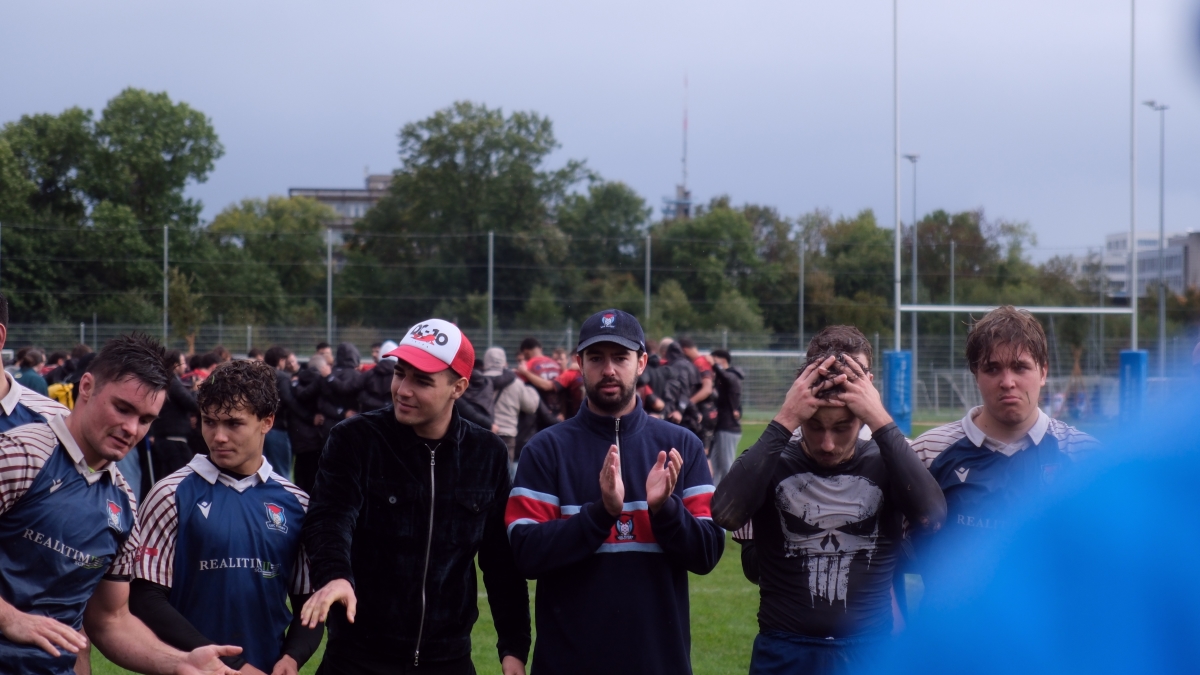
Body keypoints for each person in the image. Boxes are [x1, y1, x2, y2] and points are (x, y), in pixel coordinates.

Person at [0, 333, 241, 674]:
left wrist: (180, 661)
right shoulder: (19, 455)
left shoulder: (124, 502)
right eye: (122, 409)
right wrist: (9, 618)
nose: (131, 428)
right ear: (86, 387)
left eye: (145, 420)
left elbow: (110, 620)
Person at [300, 319, 530, 675]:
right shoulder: (355, 439)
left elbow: (501, 561)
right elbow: (330, 518)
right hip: (358, 657)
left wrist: (513, 646)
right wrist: (335, 575)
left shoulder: (487, 453)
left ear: (458, 387)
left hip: (449, 659)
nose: (403, 390)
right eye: (399, 373)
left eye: (422, 381)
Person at [711, 326, 946, 674]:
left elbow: (932, 516)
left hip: (869, 649)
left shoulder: (887, 461)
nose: (827, 444)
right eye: (815, 425)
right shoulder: (775, 460)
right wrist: (785, 419)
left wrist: (881, 420)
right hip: (785, 649)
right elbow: (725, 514)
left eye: (842, 427)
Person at [505, 309, 724, 675]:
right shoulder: (545, 449)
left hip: (659, 665)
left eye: (620, 358)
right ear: (579, 364)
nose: (608, 369)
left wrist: (666, 510)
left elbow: (707, 554)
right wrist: (600, 514)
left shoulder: (680, 446)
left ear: (641, 363)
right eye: (596, 358)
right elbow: (526, 553)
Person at [129, 360, 323, 674]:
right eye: (209, 422)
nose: (218, 436)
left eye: (233, 424)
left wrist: (292, 657)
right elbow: (145, 597)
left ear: (267, 422)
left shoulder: (296, 503)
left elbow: (309, 601)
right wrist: (230, 665)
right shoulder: (170, 494)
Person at [911, 306, 1097, 572]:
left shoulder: (1086, 456)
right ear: (976, 375)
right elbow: (887, 555)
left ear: (1043, 372)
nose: (1007, 382)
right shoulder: (927, 452)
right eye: (992, 369)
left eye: (1020, 367)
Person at [482, 347, 540, 480]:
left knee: (483, 477)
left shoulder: (478, 381)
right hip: (507, 436)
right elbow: (531, 407)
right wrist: (531, 389)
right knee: (504, 479)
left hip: (482, 433)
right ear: (504, 362)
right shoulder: (516, 383)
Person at [148, 350, 201, 482]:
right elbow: (192, 403)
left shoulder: (166, 380)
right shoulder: (172, 382)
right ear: (176, 365)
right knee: (183, 479)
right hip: (174, 440)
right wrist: (196, 391)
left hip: (167, 439)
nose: (186, 366)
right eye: (183, 363)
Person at [288, 355, 329, 495]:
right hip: (317, 436)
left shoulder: (296, 381)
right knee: (314, 479)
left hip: (299, 436)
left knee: (300, 477)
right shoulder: (322, 382)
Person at [263, 346, 303, 481]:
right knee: (282, 473)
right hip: (278, 428)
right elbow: (288, 400)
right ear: (281, 360)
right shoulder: (283, 377)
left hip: (260, 428)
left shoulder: (260, 375)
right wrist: (307, 416)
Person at [708, 349, 744, 485]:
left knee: (726, 466)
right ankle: (713, 494)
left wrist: (715, 365)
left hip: (727, 428)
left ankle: (729, 495)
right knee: (715, 467)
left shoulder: (732, 376)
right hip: (721, 427)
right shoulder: (724, 378)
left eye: (714, 359)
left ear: (722, 360)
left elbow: (727, 378)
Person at [515, 337, 562, 418]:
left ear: (526, 352)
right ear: (540, 349)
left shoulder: (527, 366)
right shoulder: (556, 364)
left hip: (539, 413)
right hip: (558, 410)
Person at [357, 340, 397, 413]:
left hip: (370, 416)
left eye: (377, 352)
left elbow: (354, 388)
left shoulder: (369, 374)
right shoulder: (402, 377)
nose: (373, 354)